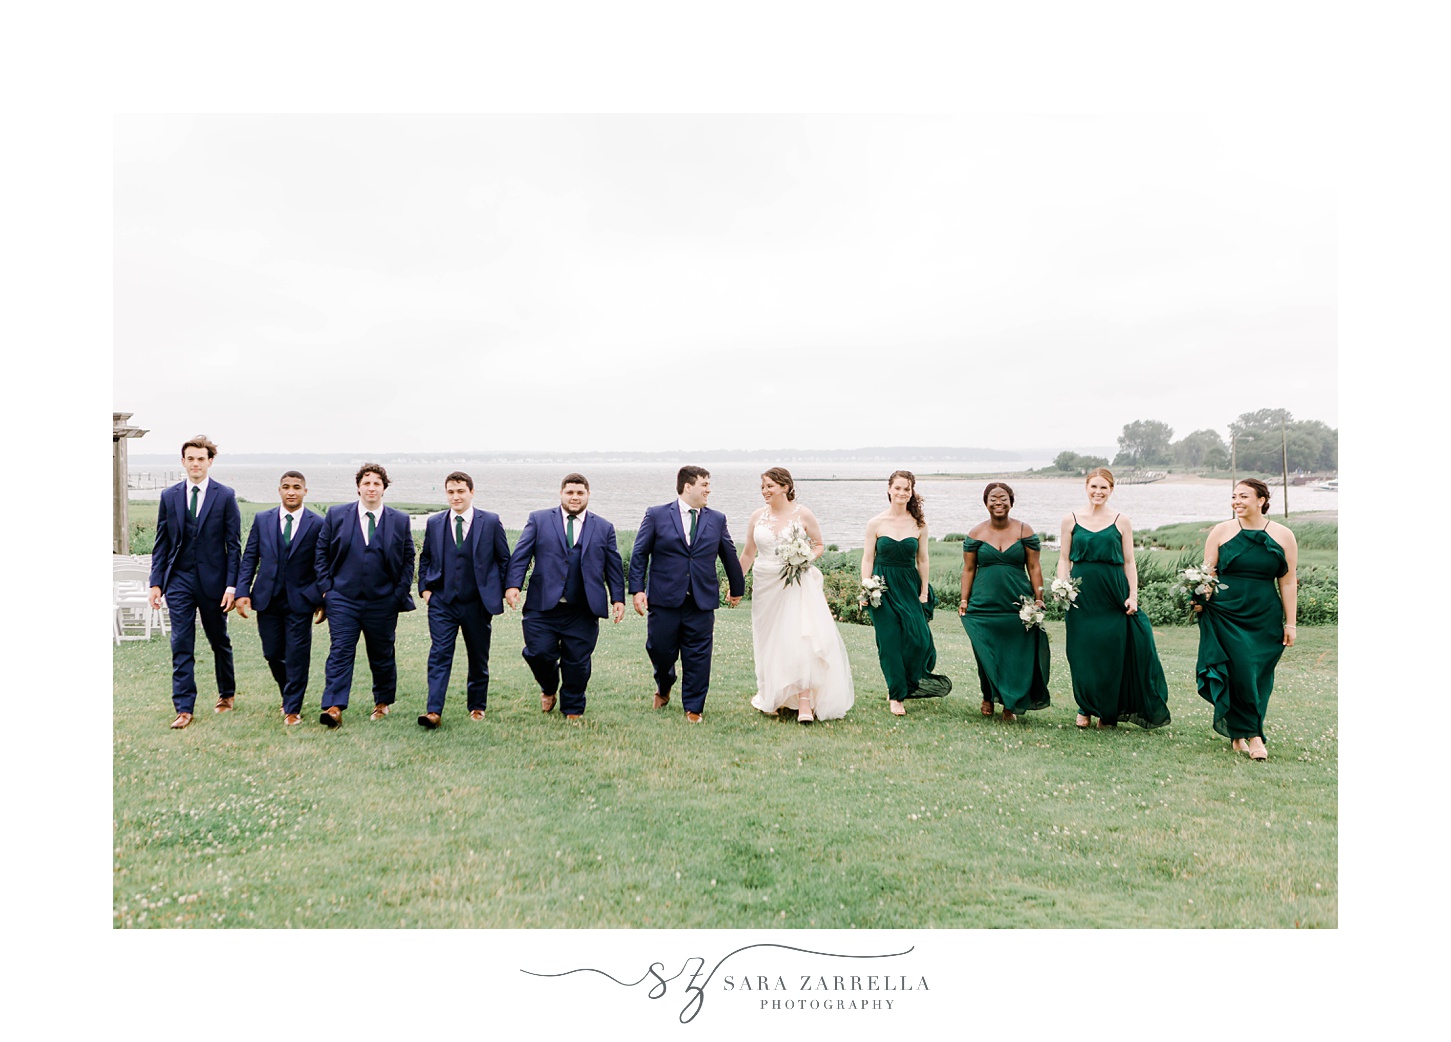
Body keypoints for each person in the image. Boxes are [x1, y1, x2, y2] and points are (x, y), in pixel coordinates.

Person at [628, 465, 746, 723]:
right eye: (704, 484)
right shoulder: (656, 515)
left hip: (701, 599)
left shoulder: (717, 518)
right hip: (663, 598)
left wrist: (737, 588)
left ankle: (694, 708)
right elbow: (639, 554)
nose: (709, 490)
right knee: (659, 650)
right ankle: (664, 683)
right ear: (687, 486)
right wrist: (637, 590)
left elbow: (728, 553)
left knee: (699, 655)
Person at [505, 473, 626, 722]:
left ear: (588, 495)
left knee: (577, 662)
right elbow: (521, 555)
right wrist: (513, 585)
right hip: (542, 606)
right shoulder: (538, 520)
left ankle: (573, 708)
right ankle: (549, 687)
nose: (574, 497)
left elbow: (613, 566)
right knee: (538, 653)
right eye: (570, 492)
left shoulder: (603, 527)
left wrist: (618, 598)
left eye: (580, 493)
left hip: (583, 608)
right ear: (561, 493)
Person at [1056, 467, 1171, 730]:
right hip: (1082, 595)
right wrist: (1063, 586)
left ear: (1111, 490)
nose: (1098, 492)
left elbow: (1129, 562)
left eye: (1103, 488)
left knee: (1110, 653)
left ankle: (1107, 711)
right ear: (1086, 488)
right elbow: (1064, 559)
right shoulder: (1070, 519)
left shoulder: (1121, 520)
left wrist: (1133, 596)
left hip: (1112, 594)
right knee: (1081, 652)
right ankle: (1085, 706)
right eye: (1093, 487)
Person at [738, 468, 854, 724]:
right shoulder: (757, 516)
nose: (765, 491)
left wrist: (804, 558)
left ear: (785, 486)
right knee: (768, 639)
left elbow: (819, 544)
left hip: (796, 583)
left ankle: (804, 700)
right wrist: (736, 585)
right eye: (763, 487)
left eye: (769, 486)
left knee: (799, 636)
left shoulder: (803, 514)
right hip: (765, 583)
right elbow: (747, 553)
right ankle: (773, 694)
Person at [1195, 479, 1299, 761]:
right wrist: (1197, 598)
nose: (1236, 501)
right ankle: (1255, 736)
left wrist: (1291, 622)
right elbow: (1209, 575)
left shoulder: (1284, 535)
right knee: (1239, 669)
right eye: (1233, 497)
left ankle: (1239, 732)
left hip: (1264, 615)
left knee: (1257, 674)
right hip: (1226, 612)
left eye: (1243, 496)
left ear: (1262, 500)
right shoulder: (1220, 531)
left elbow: (1288, 582)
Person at [148, 435, 241, 730]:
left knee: (218, 641)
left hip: (214, 582)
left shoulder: (225, 496)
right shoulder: (169, 496)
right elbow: (162, 543)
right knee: (181, 642)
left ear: (210, 461)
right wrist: (156, 582)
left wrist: (231, 586)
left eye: (201, 459)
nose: (196, 464)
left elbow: (234, 546)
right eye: (191, 458)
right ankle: (184, 708)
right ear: (183, 462)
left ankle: (226, 693)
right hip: (179, 581)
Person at [314, 463, 416, 727]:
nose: (371, 488)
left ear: (384, 488)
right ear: (358, 486)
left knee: (382, 653)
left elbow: (408, 559)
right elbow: (321, 553)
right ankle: (334, 707)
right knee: (340, 651)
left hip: (383, 601)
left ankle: (382, 703)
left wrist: (398, 593)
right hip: (342, 599)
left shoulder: (400, 520)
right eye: (366, 483)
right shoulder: (337, 515)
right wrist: (327, 590)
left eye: (377, 483)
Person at [416, 472, 511, 728]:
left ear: (471, 492)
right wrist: (425, 588)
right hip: (442, 602)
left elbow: (504, 559)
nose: (455, 496)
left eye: (460, 491)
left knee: (478, 657)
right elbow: (425, 557)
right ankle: (433, 711)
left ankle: (477, 706)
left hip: (477, 603)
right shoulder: (435, 522)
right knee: (439, 654)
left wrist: (498, 590)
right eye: (450, 492)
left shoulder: (490, 521)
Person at [234, 470, 326, 726]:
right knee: (272, 653)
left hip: (301, 599)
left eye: (297, 487)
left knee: (297, 654)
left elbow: (323, 564)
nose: (291, 491)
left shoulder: (317, 523)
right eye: (286, 486)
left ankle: (293, 707)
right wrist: (242, 592)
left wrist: (320, 598)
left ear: (305, 491)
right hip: (267, 598)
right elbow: (249, 557)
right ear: (279, 490)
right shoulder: (263, 519)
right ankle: (288, 693)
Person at [860, 470, 951, 716]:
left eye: (907, 489)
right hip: (882, 588)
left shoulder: (919, 524)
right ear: (889, 489)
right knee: (889, 641)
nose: (902, 492)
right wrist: (866, 588)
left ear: (912, 492)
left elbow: (923, 560)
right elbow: (868, 558)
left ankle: (907, 682)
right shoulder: (875, 523)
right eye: (898, 487)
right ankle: (896, 694)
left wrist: (923, 592)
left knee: (919, 640)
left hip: (909, 587)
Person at [957, 482, 1050, 722]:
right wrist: (964, 600)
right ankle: (988, 695)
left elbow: (1034, 566)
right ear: (985, 502)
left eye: (1003, 498)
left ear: (1011, 501)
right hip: (983, 604)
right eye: (993, 498)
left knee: (1015, 654)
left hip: (1016, 604)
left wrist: (1039, 599)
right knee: (986, 653)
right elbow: (968, 569)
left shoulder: (1024, 531)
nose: (998, 502)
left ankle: (1010, 704)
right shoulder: (975, 533)